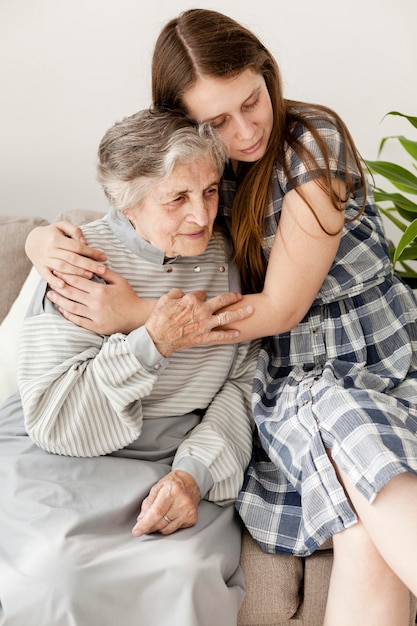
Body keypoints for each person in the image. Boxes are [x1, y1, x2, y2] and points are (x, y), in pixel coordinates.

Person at [24, 9, 417, 625]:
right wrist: (39, 241)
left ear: (267, 74)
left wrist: (135, 315)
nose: (244, 131)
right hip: (288, 380)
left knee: (362, 508)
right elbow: (127, 199)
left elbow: (282, 308)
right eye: (216, 120)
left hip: (370, 356)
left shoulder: (312, 144)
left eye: (252, 100)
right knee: (360, 525)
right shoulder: (198, 173)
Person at [0, 108, 260, 626]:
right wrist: (150, 344)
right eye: (177, 199)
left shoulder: (228, 257)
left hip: (174, 462)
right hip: (60, 461)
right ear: (129, 203)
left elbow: (243, 384)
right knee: (61, 573)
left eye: (209, 192)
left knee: (185, 572)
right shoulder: (79, 260)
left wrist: (193, 474)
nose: (202, 216)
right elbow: (59, 422)